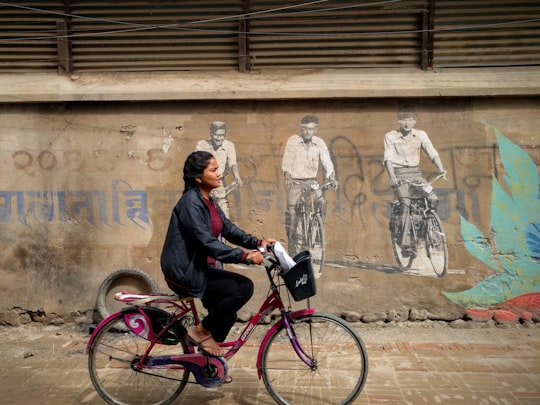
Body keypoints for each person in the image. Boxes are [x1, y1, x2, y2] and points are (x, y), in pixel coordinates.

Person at [160, 151, 275, 360]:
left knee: (227, 316)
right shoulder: (190, 204)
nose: (219, 174)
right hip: (184, 272)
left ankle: (210, 366)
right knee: (243, 287)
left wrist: (258, 243)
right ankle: (200, 332)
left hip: (199, 269)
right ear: (198, 177)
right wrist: (245, 257)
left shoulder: (208, 202)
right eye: (213, 170)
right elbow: (207, 242)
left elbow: (228, 229)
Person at [383, 105, 446, 258]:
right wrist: (393, 177)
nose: (407, 123)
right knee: (405, 204)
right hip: (399, 173)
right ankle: (406, 245)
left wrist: (441, 169)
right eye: (404, 119)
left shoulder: (421, 134)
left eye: (410, 119)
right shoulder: (390, 136)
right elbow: (388, 159)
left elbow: (432, 152)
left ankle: (428, 231)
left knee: (432, 198)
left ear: (415, 121)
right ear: (399, 120)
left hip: (416, 174)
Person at [282, 115, 338, 254]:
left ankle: (317, 228)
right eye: (305, 129)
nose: (308, 132)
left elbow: (327, 162)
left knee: (321, 201)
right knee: (293, 214)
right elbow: (287, 162)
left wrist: (331, 177)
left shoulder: (320, 143)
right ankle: (292, 244)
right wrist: (288, 175)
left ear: (316, 130)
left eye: (311, 129)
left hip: (312, 182)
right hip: (295, 182)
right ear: (301, 129)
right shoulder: (293, 141)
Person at [195, 121, 242, 217]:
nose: (219, 138)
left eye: (221, 135)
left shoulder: (229, 146)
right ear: (211, 134)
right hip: (203, 182)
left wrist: (236, 176)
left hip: (218, 183)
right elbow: (197, 163)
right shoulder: (202, 145)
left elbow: (232, 162)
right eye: (216, 135)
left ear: (225, 134)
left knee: (223, 212)